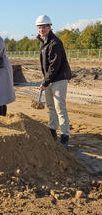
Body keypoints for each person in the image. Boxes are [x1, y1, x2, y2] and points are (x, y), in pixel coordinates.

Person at [36, 15, 72, 147]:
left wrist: (45, 82)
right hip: (50, 78)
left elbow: (54, 65)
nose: (42, 29)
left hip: (59, 78)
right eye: (40, 27)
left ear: (50, 27)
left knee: (59, 107)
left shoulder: (54, 42)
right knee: (51, 106)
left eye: (44, 26)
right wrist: (46, 80)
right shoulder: (43, 41)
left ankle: (65, 135)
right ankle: (52, 130)